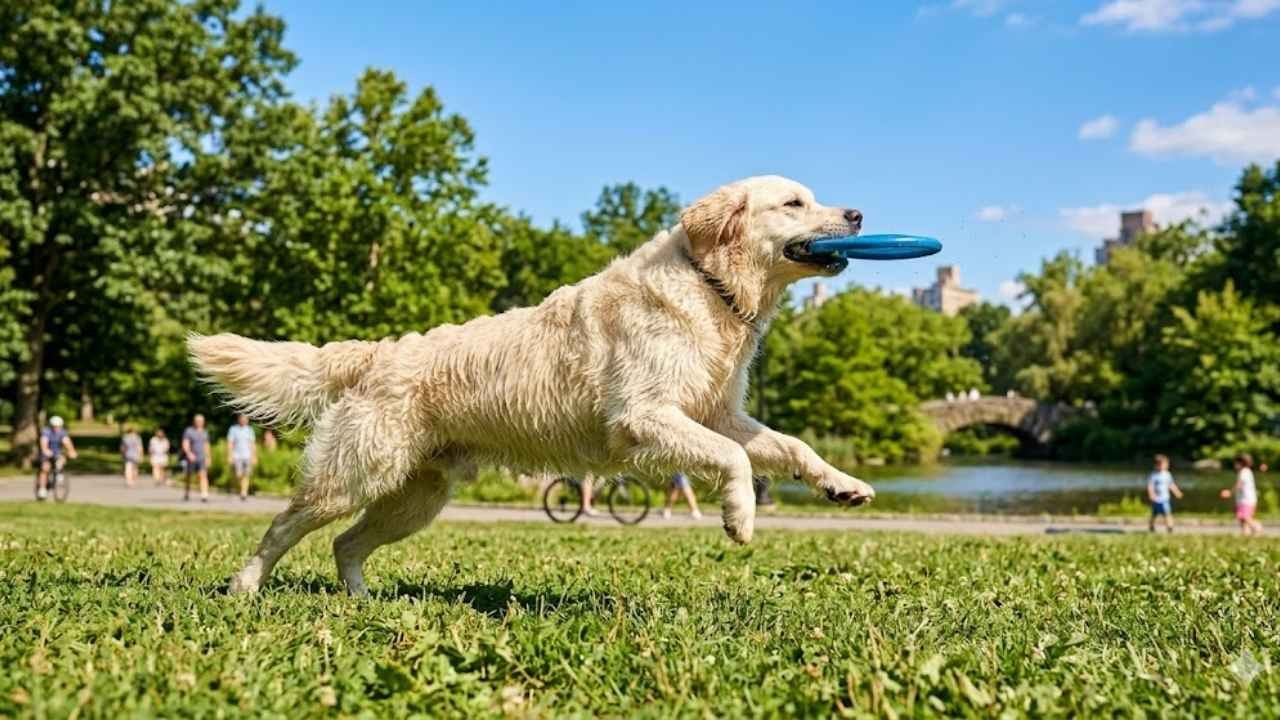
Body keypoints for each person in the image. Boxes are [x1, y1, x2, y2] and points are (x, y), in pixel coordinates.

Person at [35, 416, 77, 500]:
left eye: (58, 426)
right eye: (54, 426)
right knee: (45, 468)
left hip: (57, 452)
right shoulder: (46, 432)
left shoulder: (62, 433)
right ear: (51, 426)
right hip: (46, 453)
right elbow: (44, 442)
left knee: (61, 459)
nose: (56, 428)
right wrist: (45, 450)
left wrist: (72, 451)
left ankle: (59, 473)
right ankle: (42, 488)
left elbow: (67, 442)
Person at [1225, 453, 1263, 536]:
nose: (1235, 465)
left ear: (1241, 463)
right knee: (1242, 519)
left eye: (1236, 463)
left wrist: (1230, 492)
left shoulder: (1244, 472)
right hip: (1244, 499)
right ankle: (1245, 533)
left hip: (1246, 500)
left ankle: (1257, 527)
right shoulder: (1246, 472)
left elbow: (1239, 484)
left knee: (1244, 516)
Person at [1146, 454, 1182, 533]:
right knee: (1154, 514)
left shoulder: (1167, 474)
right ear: (1156, 465)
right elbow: (1150, 486)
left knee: (1167, 513)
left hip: (1165, 498)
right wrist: (1151, 494)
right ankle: (1151, 526)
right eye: (1161, 465)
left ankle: (1170, 527)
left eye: (1165, 464)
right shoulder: (1153, 475)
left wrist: (1177, 492)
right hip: (1156, 499)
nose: (1163, 466)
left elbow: (1171, 484)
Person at [226, 414, 257, 501]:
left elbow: (252, 444)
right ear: (239, 419)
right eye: (242, 419)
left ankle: (244, 493)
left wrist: (254, 456)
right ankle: (241, 489)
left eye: (245, 419)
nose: (244, 420)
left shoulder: (250, 430)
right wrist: (229, 455)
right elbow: (230, 443)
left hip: (247, 455)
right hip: (237, 456)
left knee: (246, 474)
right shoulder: (233, 429)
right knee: (238, 474)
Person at [181, 414, 212, 502]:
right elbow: (185, 443)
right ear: (194, 421)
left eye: (201, 421)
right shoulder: (189, 431)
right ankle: (187, 492)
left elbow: (207, 445)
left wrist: (208, 457)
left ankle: (204, 494)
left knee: (203, 475)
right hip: (191, 458)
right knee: (189, 476)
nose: (199, 422)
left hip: (202, 458)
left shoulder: (205, 432)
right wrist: (189, 453)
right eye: (198, 421)